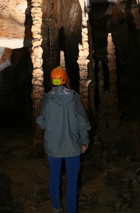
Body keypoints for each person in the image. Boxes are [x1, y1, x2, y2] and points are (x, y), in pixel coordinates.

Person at [36, 66, 91, 213]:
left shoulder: (47, 100)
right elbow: (83, 123)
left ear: (52, 80)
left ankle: (56, 207)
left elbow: (40, 122)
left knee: (54, 177)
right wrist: (84, 142)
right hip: (72, 147)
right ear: (65, 79)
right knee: (72, 181)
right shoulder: (74, 99)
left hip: (53, 148)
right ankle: (71, 210)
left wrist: (53, 124)